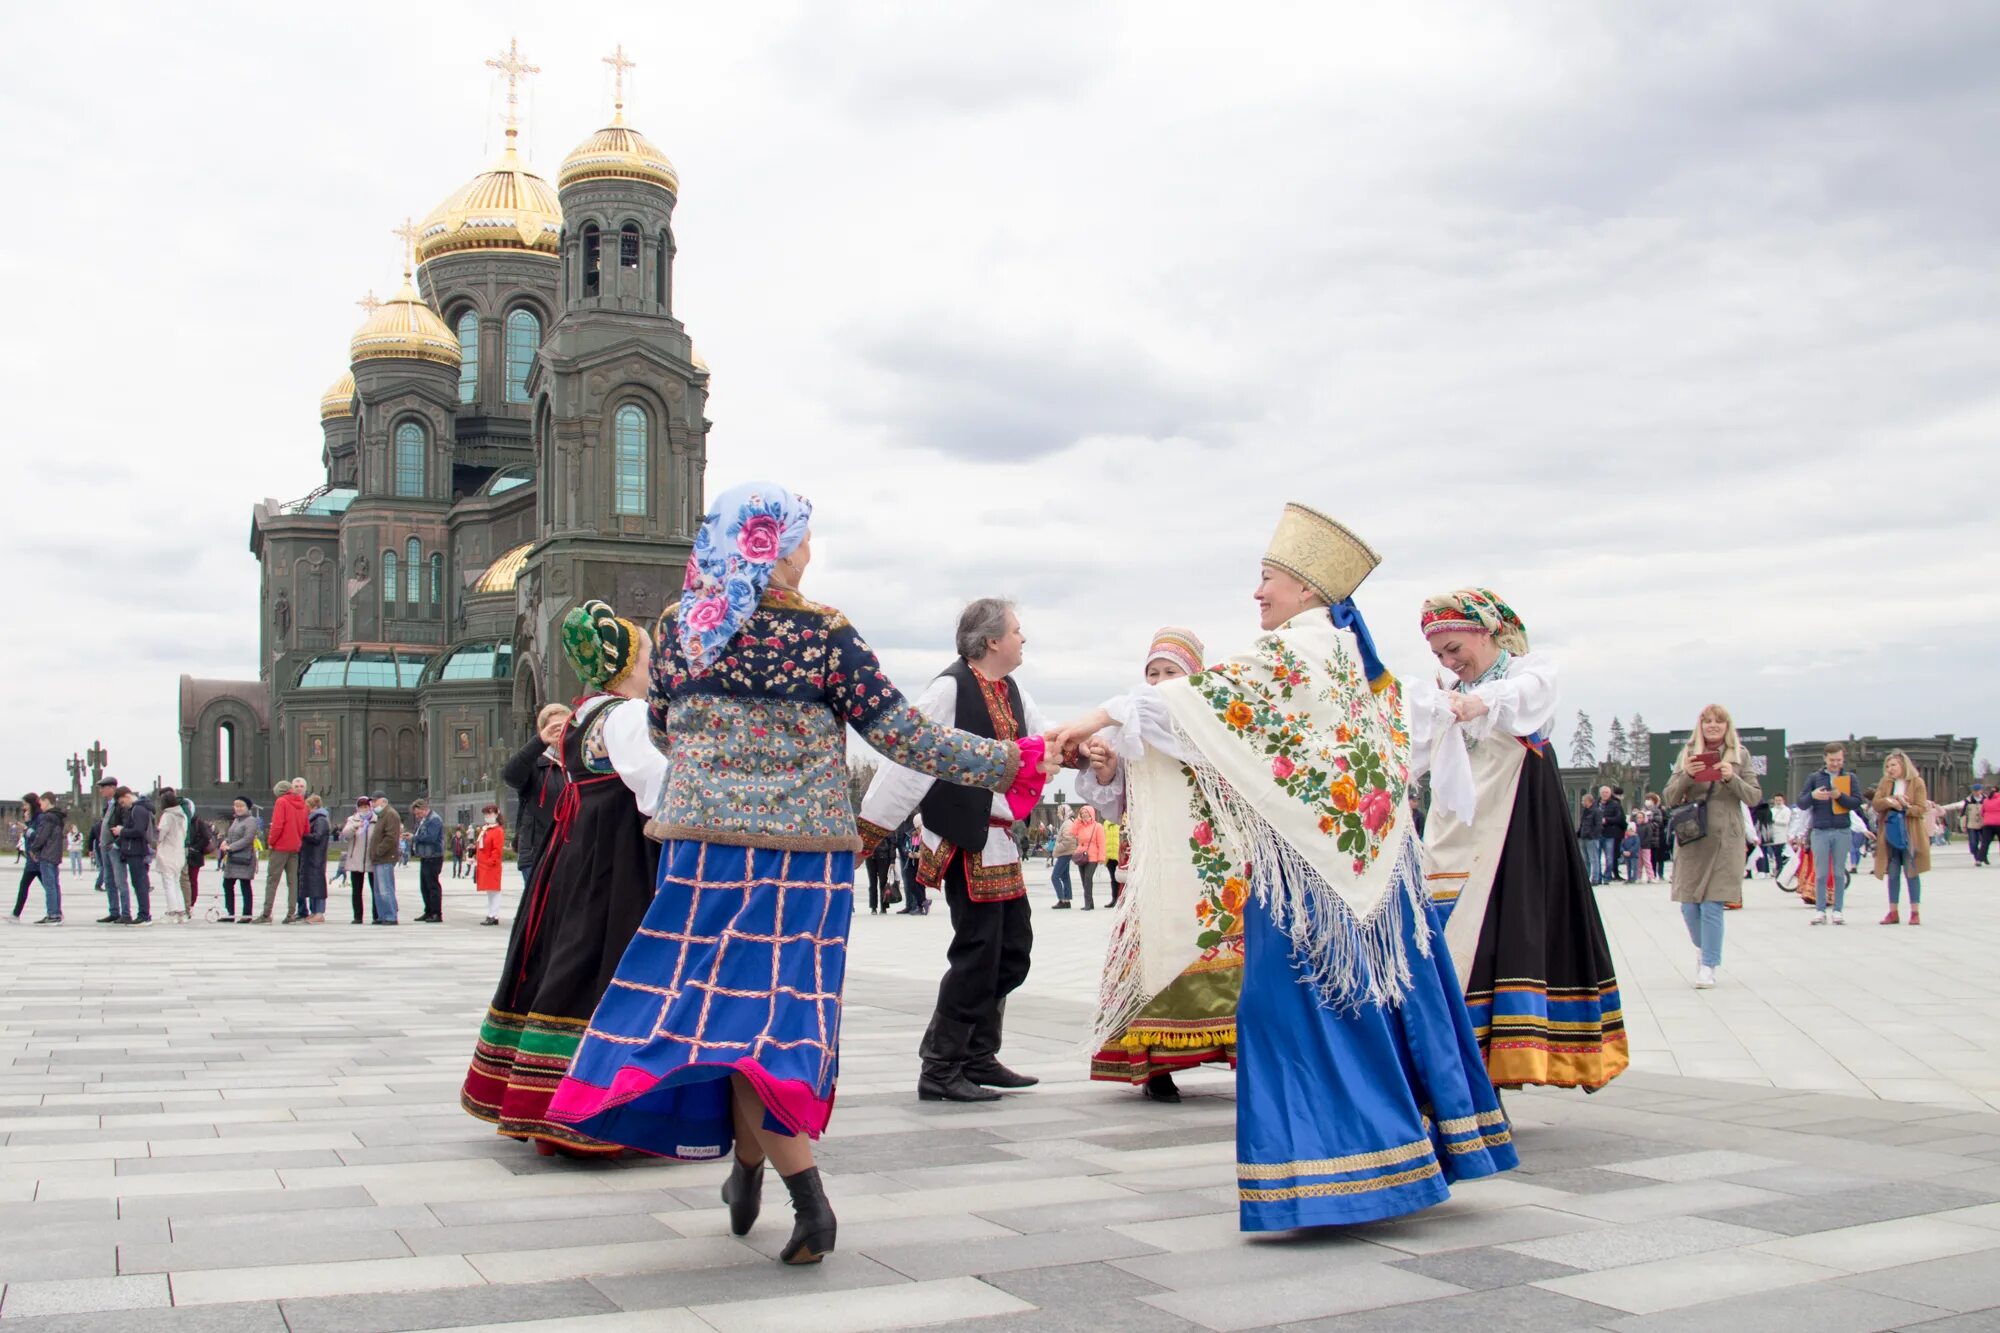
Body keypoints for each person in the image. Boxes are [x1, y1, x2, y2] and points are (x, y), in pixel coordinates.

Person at [549, 482, 1050, 1265]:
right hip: (803, 859)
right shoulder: (823, 633)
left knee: (719, 1019)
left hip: (705, 851)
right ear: (775, 547)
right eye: (803, 539)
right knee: (775, 1024)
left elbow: (659, 725)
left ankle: (752, 1169)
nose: (810, 552)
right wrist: (1013, 758)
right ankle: (804, 1198)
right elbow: (901, 733)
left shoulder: (681, 628)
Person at [1051, 504, 1515, 1229]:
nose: (1257, 593)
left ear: (1305, 588)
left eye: (1267, 578)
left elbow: (1214, 702)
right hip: (1347, 871)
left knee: (1289, 1012)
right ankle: (1390, 1157)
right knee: (1363, 1010)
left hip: (1311, 881)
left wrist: (1096, 716)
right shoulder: (1338, 652)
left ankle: (1340, 1174)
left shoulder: (1302, 649)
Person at [464, 600, 670, 1155]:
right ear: (625, 666)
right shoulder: (625, 715)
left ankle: (539, 1100)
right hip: (616, 860)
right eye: (648, 657)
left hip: (573, 856)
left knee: (566, 961)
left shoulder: (582, 713)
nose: (653, 666)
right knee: (607, 968)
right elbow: (656, 788)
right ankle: (588, 1113)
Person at [1408, 587, 1627, 1091]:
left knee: (1501, 931)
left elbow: (1525, 700)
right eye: (1439, 655)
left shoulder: (1526, 673)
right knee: (1445, 922)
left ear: (1485, 633)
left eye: (1455, 649)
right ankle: (1461, 1063)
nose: (1449, 661)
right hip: (1458, 822)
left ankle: (1495, 1062)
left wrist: (1475, 702)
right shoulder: (1450, 692)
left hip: (1516, 819)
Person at [860, 596, 1055, 1105]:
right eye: (1016, 630)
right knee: (977, 952)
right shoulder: (949, 689)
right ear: (992, 640)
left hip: (1000, 840)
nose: (1022, 639)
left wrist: (1084, 749)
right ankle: (941, 1065)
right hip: (964, 838)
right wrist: (867, 833)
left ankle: (978, 1054)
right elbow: (907, 761)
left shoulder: (1013, 691)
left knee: (1013, 951)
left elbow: (1045, 744)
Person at [1077, 626, 1237, 1104]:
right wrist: (1105, 766)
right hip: (1151, 861)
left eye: (1172, 672)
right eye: (1153, 673)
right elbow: (1110, 797)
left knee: (1220, 951)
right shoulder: (1129, 724)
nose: (1160, 681)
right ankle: (1154, 1064)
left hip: (1205, 861)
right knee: (1149, 955)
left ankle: (1234, 1049)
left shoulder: (1216, 723)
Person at [1661, 706, 1761, 989]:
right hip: (1693, 837)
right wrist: (1687, 776)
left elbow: (1754, 797)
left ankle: (1708, 965)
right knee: (1689, 907)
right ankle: (1704, 950)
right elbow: (1669, 796)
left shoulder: (1740, 755)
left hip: (1726, 838)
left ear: (1727, 725)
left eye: (1719, 721)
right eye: (1707, 721)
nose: (1713, 726)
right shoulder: (1688, 754)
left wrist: (1732, 777)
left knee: (1712, 905)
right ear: (1700, 725)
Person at [503, 704, 572, 896]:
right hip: (538, 853)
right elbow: (510, 775)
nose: (560, 732)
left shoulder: (580, 763)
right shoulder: (535, 765)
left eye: (566, 725)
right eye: (554, 727)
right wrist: (540, 742)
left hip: (573, 852)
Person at [1799, 743, 1865, 925]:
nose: (1835, 764)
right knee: (1820, 873)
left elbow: (1856, 802)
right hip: (1820, 830)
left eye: (1839, 760)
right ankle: (1820, 910)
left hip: (1841, 829)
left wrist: (1839, 796)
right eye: (1832, 760)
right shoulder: (1814, 778)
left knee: (1838, 872)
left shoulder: (1850, 778)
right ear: (1825, 759)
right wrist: (1813, 795)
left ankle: (1838, 910)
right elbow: (1802, 802)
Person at [1871, 751, 1929, 925]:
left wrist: (1905, 806)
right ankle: (1893, 911)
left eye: (1893, 765)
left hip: (1909, 833)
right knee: (1893, 872)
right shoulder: (1885, 783)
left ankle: (1914, 911)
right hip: (1890, 832)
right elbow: (1876, 803)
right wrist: (1889, 801)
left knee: (1912, 871)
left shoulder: (1917, 782)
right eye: (1887, 766)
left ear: (1903, 765)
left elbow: (1921, 808)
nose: (1890, 769)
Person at [111, 787, 157, 925]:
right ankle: (143, 914)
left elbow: (138, 830)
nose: (122, 805)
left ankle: (144, 915)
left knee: (140, 883)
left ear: (126, 796)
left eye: (121, 801)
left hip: (137, 851)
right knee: (137, 883)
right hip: (133, 851)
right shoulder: (136, 809)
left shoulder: (138, 810)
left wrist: (122, 831)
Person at [93, 776, 130, 924]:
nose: (101, 790)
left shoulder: (120, 805)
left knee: (120, 881)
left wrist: (117, 843)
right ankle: (114, 911)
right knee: (109, 881)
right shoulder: (108, 805)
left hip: (114, 848)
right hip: (105, 847)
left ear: (112, 788)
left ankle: (126, 913)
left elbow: (126, 825)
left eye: (104, 787)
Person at [153, 788, 189, 923]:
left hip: (168, 852)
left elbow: (161, 834)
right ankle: (181, 912)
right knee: (176, 882)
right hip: (179, 851)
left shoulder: (167, 816)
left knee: (168, 883)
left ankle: (172, 911)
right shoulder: (183, 815)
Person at [365, 794, 403, 925]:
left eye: (375, 801)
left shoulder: (391, 814)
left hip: (385, 857)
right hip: (378, 859)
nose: (373, 805)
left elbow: (391, 837)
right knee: (378, 890)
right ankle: (382, 915)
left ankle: (390, 916)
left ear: (383, 801)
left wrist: (378, 851)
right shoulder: (382, 815)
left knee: (385, 889)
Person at [220, 798, 259, 921]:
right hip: (232, 858)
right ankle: (229, 913)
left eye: (241, 806)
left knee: (245, 885)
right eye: (236, 806)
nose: (238, 808)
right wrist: (225, 842)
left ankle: (247, 915)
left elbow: (247, 839)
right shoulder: (236, 820)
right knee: (227, 884)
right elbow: (231, 835)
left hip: (244, 858)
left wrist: (230, 847)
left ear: (247, 807)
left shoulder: (251, 821)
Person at [410, 798, 447, 922]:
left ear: (425, 809)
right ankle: (428, 911)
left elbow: (431, 837)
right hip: (425, 856)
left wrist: (414, 838)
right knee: (424, 886)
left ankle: (436, 913)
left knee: (432, 885)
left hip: (434, 856)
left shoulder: (434, 819)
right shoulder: (424, 820)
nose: (418, 816)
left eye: (419, 813)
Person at [298, 794, 331, 923]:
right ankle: (314, 911)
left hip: (316, 856)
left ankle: (319, 912)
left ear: (313, 807)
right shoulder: (312, 818)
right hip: (310, 856)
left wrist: (304, 834)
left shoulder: (320, 819)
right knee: (312, 885)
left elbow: (317, 837)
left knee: (318, 885)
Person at [340, 798, 373, 924]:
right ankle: (358, 916)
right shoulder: (352, 819)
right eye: (361, 807)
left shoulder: (375, 819)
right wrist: (354, 826)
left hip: (371, 858)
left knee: (375, 889)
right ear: (357, 808)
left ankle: (376, 915)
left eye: (366, 806)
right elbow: (346, 834)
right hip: (356, 858)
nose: (364, 809)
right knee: (356, 891)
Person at [1067, 805, 1106, 912]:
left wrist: (1101, 857)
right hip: (1081, 856)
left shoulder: (1097, 826)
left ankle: (1087, 903)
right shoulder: (1080, 826)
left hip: (1092, 857)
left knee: (1088, 879)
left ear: (1091, 814)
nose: (1084, 815)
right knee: (1084, 880)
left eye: (1086, 813)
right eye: (1082, 813)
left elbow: (1101, 843)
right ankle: (1090, 903)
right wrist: (1078, 821)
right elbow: (1072, 832)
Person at [473, 806, 505, 923]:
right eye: (485, 814)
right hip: (484, 865)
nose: (487, 817)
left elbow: (497, 850)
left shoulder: (497, 831)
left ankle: (494, 915)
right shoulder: (486, 829)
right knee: (490, 891)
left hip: (491, 865)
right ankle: (491, 913)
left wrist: (490, 861)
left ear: (496, 815)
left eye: (489, 814)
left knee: (494, 891)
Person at [1048, 804, 1077, 907]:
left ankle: (1062, 900)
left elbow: (1068, 840)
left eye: (1060, 812)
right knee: (1065, 876)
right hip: (1067, 852)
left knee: (1055, 877)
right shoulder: (1068, 822)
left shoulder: (1067, 823)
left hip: (1065, 853)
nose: (1058, 814)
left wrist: (1057, 847)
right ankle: (1067, 900)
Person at [1595, 786, 1626, 883]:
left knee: (1610, 858)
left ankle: (1607, 876)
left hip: (1610, 834)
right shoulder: (1595, 804)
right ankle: (1598, 877)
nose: (1605, 794)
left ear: (1610, 794)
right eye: (1603, 792)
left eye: (1607, 792)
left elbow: (1619, 818)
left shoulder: (1615, 804)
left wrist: (1607, 820)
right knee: (1597, 857)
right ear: (1600, 793)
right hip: (1597, 834)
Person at [863, 829, 896, 914]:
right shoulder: (867, 824)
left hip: (883, 856)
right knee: (872, 883)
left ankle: (884, 906)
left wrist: (892, 860)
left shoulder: (886, 825)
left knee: (883, 882)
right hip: (870, 856)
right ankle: (873, 907)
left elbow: (892, 843)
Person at [1576, 793, 1599, 883]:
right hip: (1583, 837)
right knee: (1585, 859)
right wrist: (1578, 834)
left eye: (1583, 801)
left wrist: (1591, 835)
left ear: (1588, 801)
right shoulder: (1585, 811)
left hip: (1591, 838)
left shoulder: (1596, 811)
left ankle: (1595, 879)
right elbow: (1582, 825)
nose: (1582, 802)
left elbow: (1598, 826)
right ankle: (1586, 878)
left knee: (1593, 859)